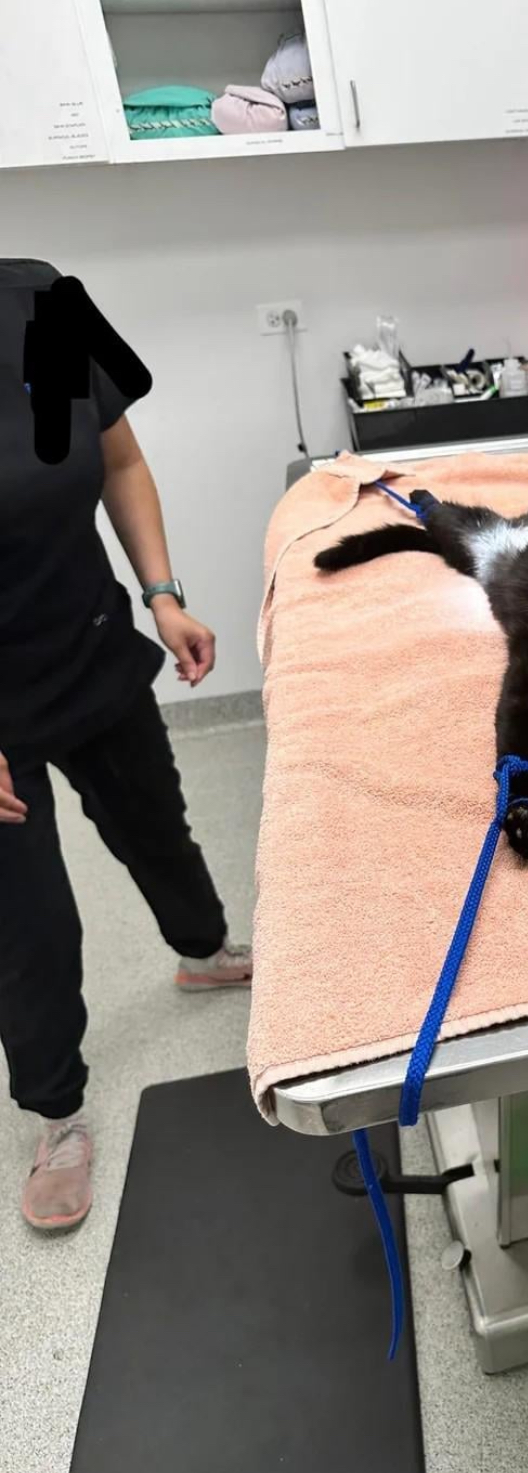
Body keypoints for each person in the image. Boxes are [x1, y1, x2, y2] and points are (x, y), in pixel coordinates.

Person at [0, 260, 251, 1234]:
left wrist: (162, 594)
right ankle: (57, 1115)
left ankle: (204, 950)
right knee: (28, 921)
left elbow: (120, 462)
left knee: (155, 822)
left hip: (89, 640)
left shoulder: (43, 301)